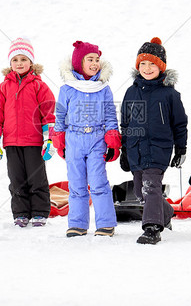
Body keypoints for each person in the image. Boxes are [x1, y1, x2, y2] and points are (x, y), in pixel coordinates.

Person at [119, 37, 188, 245]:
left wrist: (181, 148)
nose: (147, 68)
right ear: (137, 66)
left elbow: (180, 124)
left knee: (151, 187)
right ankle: (165, 213)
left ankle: (152, 229)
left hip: (159, 148)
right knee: (141, 191)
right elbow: (126, 123)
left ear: (161, 67)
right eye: (143, 64)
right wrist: (124, 149)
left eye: (152, 64)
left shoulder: (170, 94)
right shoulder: (131, 92)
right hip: (136, 149)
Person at [52, 41, 121, 238]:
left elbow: (109, 115)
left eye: (97, 60)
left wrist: (112, 139)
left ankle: (106, 223)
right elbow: (60, 115)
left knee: (99, 182)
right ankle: (77, 223)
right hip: (74, 139)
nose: (95, 63)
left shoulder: (103, 88)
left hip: (96, 140)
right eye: (90, 59)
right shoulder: (67, 89)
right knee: (76, 184)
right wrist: (60, 139)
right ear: (78, 63)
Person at [0, 37, 56, 228]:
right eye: (15, 60)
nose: (19, 63)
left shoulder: (39, 86)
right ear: (10, 63)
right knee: (16, 179)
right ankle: (21, 213)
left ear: (31, 62)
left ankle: (40, 213)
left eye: (23, 59)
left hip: (33, 142)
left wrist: (50, 140)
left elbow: (49, 116)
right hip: (11, 142)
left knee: (36, 178)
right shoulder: (2, 89)